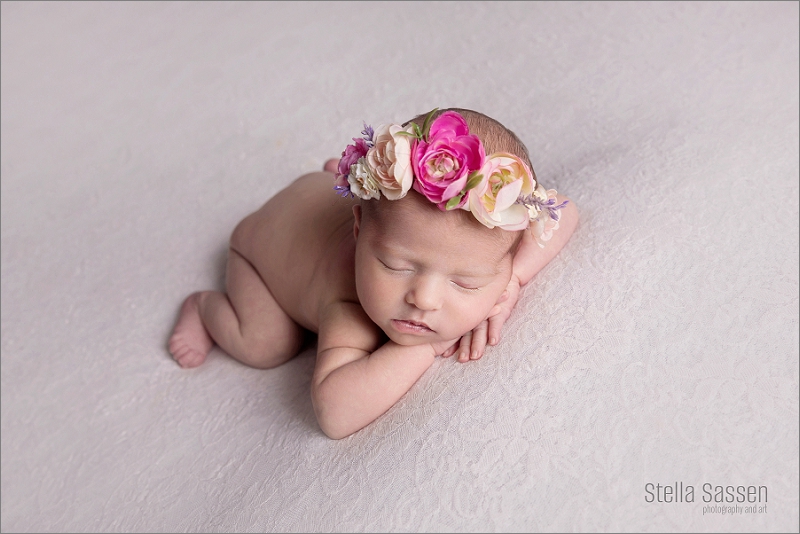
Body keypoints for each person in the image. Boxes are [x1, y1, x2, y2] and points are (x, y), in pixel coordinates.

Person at [168, 108, 579, 439]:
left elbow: (564, 210)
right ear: (359, 228)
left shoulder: (482, 242)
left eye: (465, 282)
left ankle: (341, 178)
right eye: (396, 266)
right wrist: (424, 348)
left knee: (398, 218)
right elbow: (334, 414)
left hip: (321, 195)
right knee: (266, 345)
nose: (425, 300)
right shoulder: (349, 306)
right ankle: (203, 307)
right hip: (259, 251)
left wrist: (513, 280)